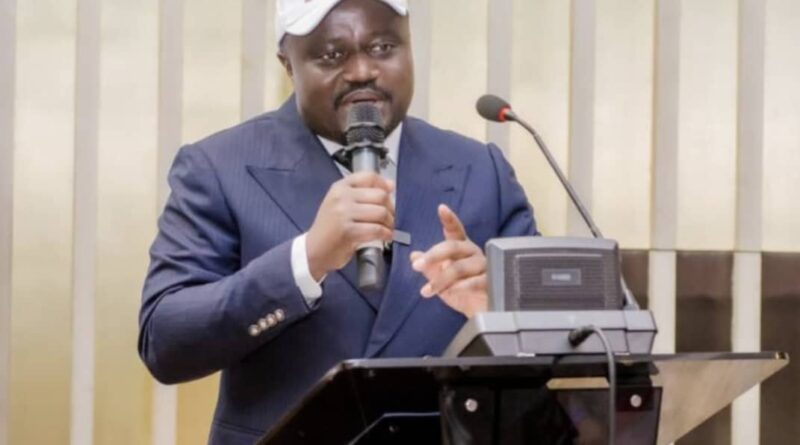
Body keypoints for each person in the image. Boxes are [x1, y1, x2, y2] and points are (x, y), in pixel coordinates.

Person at [138, 0, 537, 442]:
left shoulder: (481, 170)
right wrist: (304, 261)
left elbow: (560, 341)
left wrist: (496, 312)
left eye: (383, 47)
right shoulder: (219, 168)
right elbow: (166, 342)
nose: (362, 71)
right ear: (287, 64)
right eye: (332, 55)